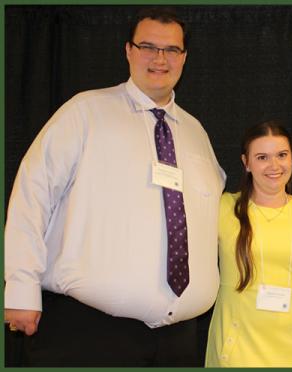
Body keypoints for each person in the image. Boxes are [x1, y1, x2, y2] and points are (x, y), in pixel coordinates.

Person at [4, 7, 224, 366]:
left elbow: (219, 217)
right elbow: (33, 195)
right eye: (148, 46)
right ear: (128, 51)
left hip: (178, 343)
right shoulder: (85, 113)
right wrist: (20, 289)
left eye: (171, 50)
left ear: (184, 58)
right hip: (87, 334)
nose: (159, 58)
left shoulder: (196, 133)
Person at [205, 121, 292, 367]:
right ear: (246, 163)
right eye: (262, 157)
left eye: (282, 155)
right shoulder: (223, 208)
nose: (274, 165)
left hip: (291, 350)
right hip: (235, 350)